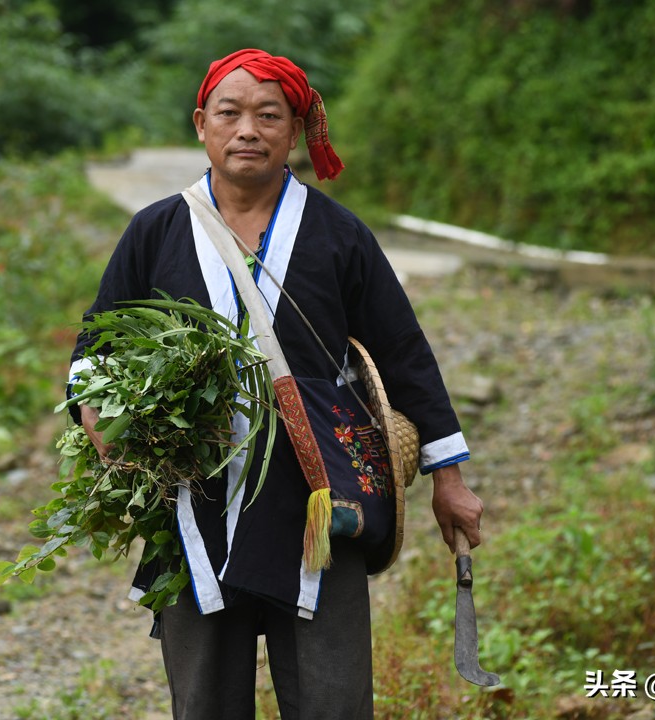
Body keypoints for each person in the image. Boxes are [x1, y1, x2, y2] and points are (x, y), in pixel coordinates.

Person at [68, 48, 485, 720]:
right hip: (195, 503)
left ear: (296, 131)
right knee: (203, 704)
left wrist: (450, 479)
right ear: (201, 123)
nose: (247, 131)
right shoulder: (157, 231)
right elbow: (99, 339)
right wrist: (95, 406)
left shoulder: (339, 236)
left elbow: (405, 354)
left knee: (334, 704)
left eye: (269, 115)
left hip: (320, 505)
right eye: (229, 114)